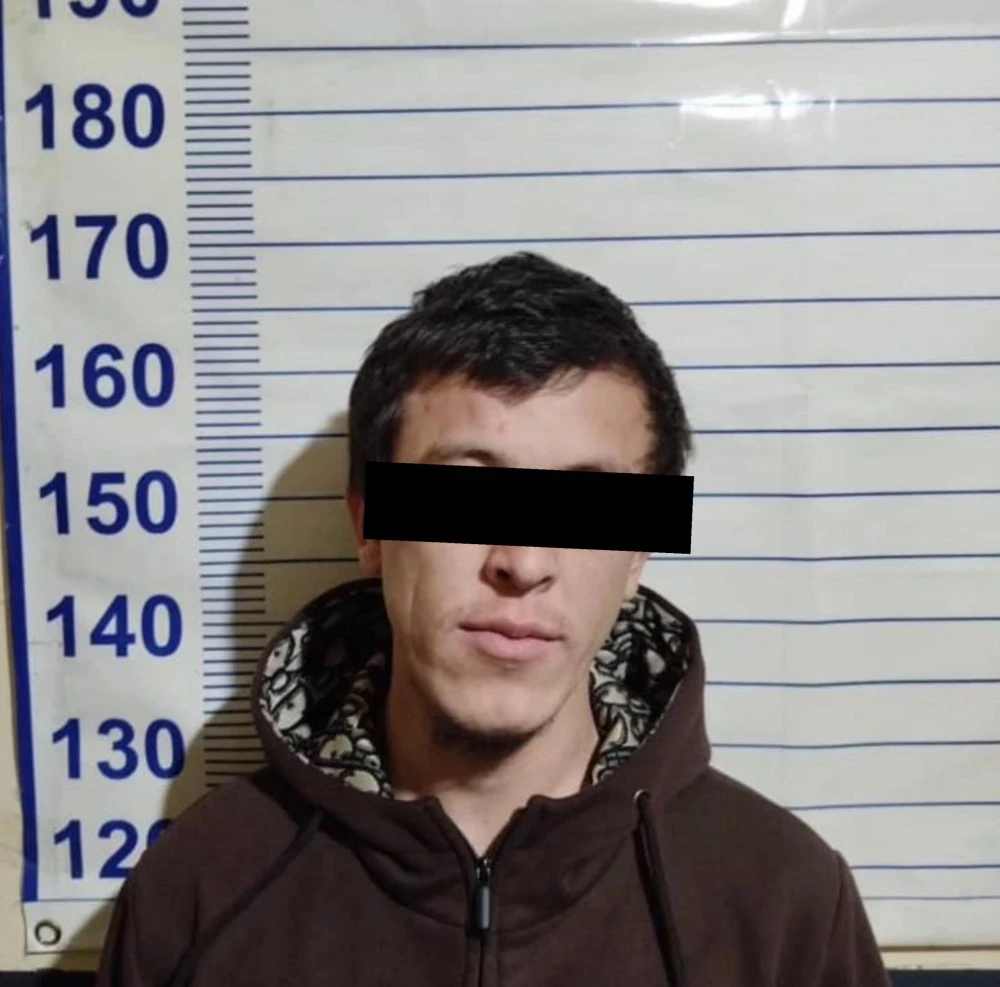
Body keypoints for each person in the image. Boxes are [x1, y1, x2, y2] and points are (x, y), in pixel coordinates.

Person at [96, 252, 892, 986]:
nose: (524, 559)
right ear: (370, 525)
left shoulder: (784, 905)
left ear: (637, 554)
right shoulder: (199, 892)